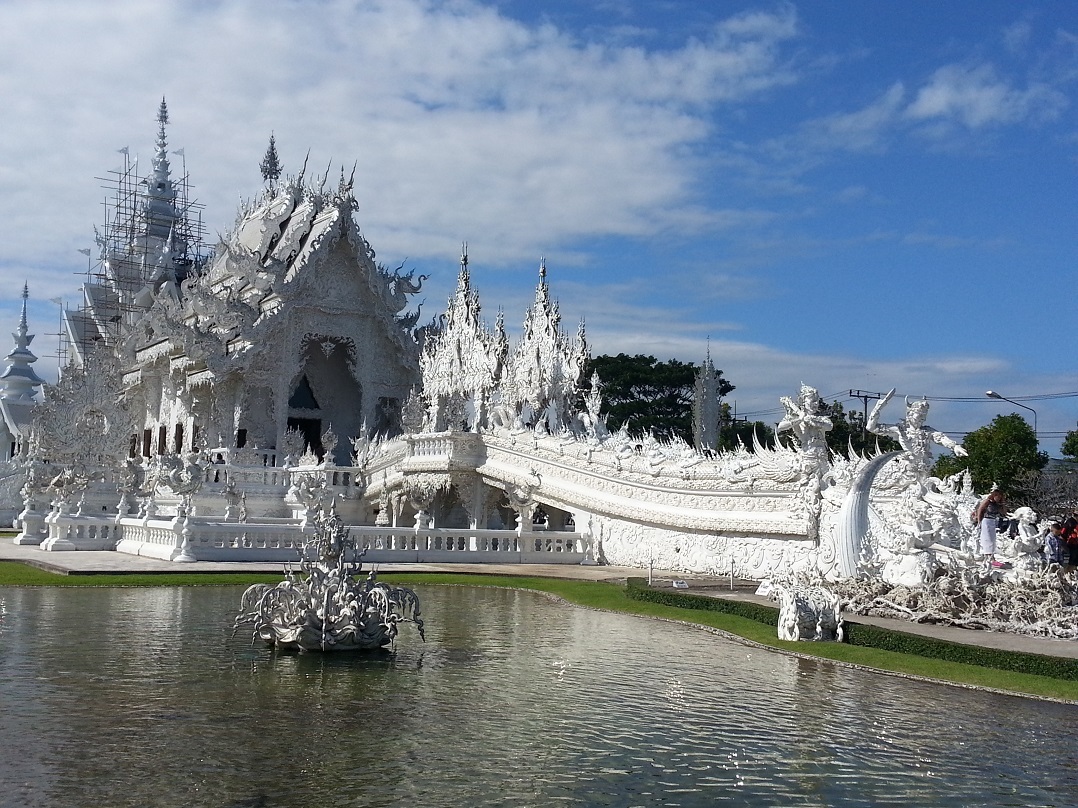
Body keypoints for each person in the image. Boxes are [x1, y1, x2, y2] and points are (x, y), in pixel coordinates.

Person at [973, 489, 1006, 568]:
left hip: (993, 521)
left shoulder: (997, 504)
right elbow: (980, 509)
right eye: (997, 497)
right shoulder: (988, 501)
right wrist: (978, 520)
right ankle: (989, 557)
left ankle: (991, 556)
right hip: (986, 520)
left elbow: (1004, 513)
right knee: (987, 538)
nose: (998, 498)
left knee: (992, 539)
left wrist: (1003, 504)